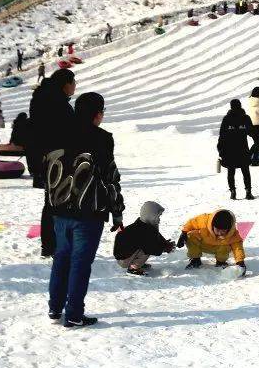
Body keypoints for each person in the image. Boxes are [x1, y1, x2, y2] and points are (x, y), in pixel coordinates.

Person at [48, 91, 125, 327]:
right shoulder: (101, 138)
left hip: (59, 209)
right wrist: (117, 211)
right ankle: (73, 314)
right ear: (97, 114)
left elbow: (48, 172)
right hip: (88, 211)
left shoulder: (56, 134)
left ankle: (55, 308)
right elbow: (110, 178)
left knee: (61, 259)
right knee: (80, 263)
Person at [29, 69, 77, 257]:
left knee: (52, 202)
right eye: (73, 82)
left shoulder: (44, 98)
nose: (75, 86)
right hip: (56, 158)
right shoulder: (56, 103)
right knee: (57, 203)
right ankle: (53, 245)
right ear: (65, 84)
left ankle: (50, 244)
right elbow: (65, 132)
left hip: (46, 157)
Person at [113, 201, 175, 276]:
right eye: (158, 216)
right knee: (147, 249)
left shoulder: (142, 223)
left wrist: (164, 243)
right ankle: (133, 268)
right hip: (123, 259)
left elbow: (156, 235)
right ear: (151, 216)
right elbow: (154, 250)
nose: (159, 218)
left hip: (125, 255)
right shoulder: (144, 231)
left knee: (147, 245)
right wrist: (164, 248)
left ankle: (136, 262)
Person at [178, 209, 246, 274]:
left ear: (228, 229)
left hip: (219, 248)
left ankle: (220, 262)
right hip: (203, 244)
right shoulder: (204, 220)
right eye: (217, 230)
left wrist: (240, 262)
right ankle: (195, 260)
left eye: (223, 231)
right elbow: (191, 223)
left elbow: (238, 248)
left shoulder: (233, 233)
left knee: (226, 246)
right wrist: (184, 233)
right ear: (213, 225)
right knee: (190, 235)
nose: (220, 233)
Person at [217, 99, 253, 200]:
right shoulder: (245, 118)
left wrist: (220, 150)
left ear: (231, 107)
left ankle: (233, 192)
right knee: (245, 170)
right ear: (240, 106)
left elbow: (222, 136)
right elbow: (251, 132)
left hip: (230, 150)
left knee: (231, 171)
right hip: (243, 148)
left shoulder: (226, 119)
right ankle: (248, 192)